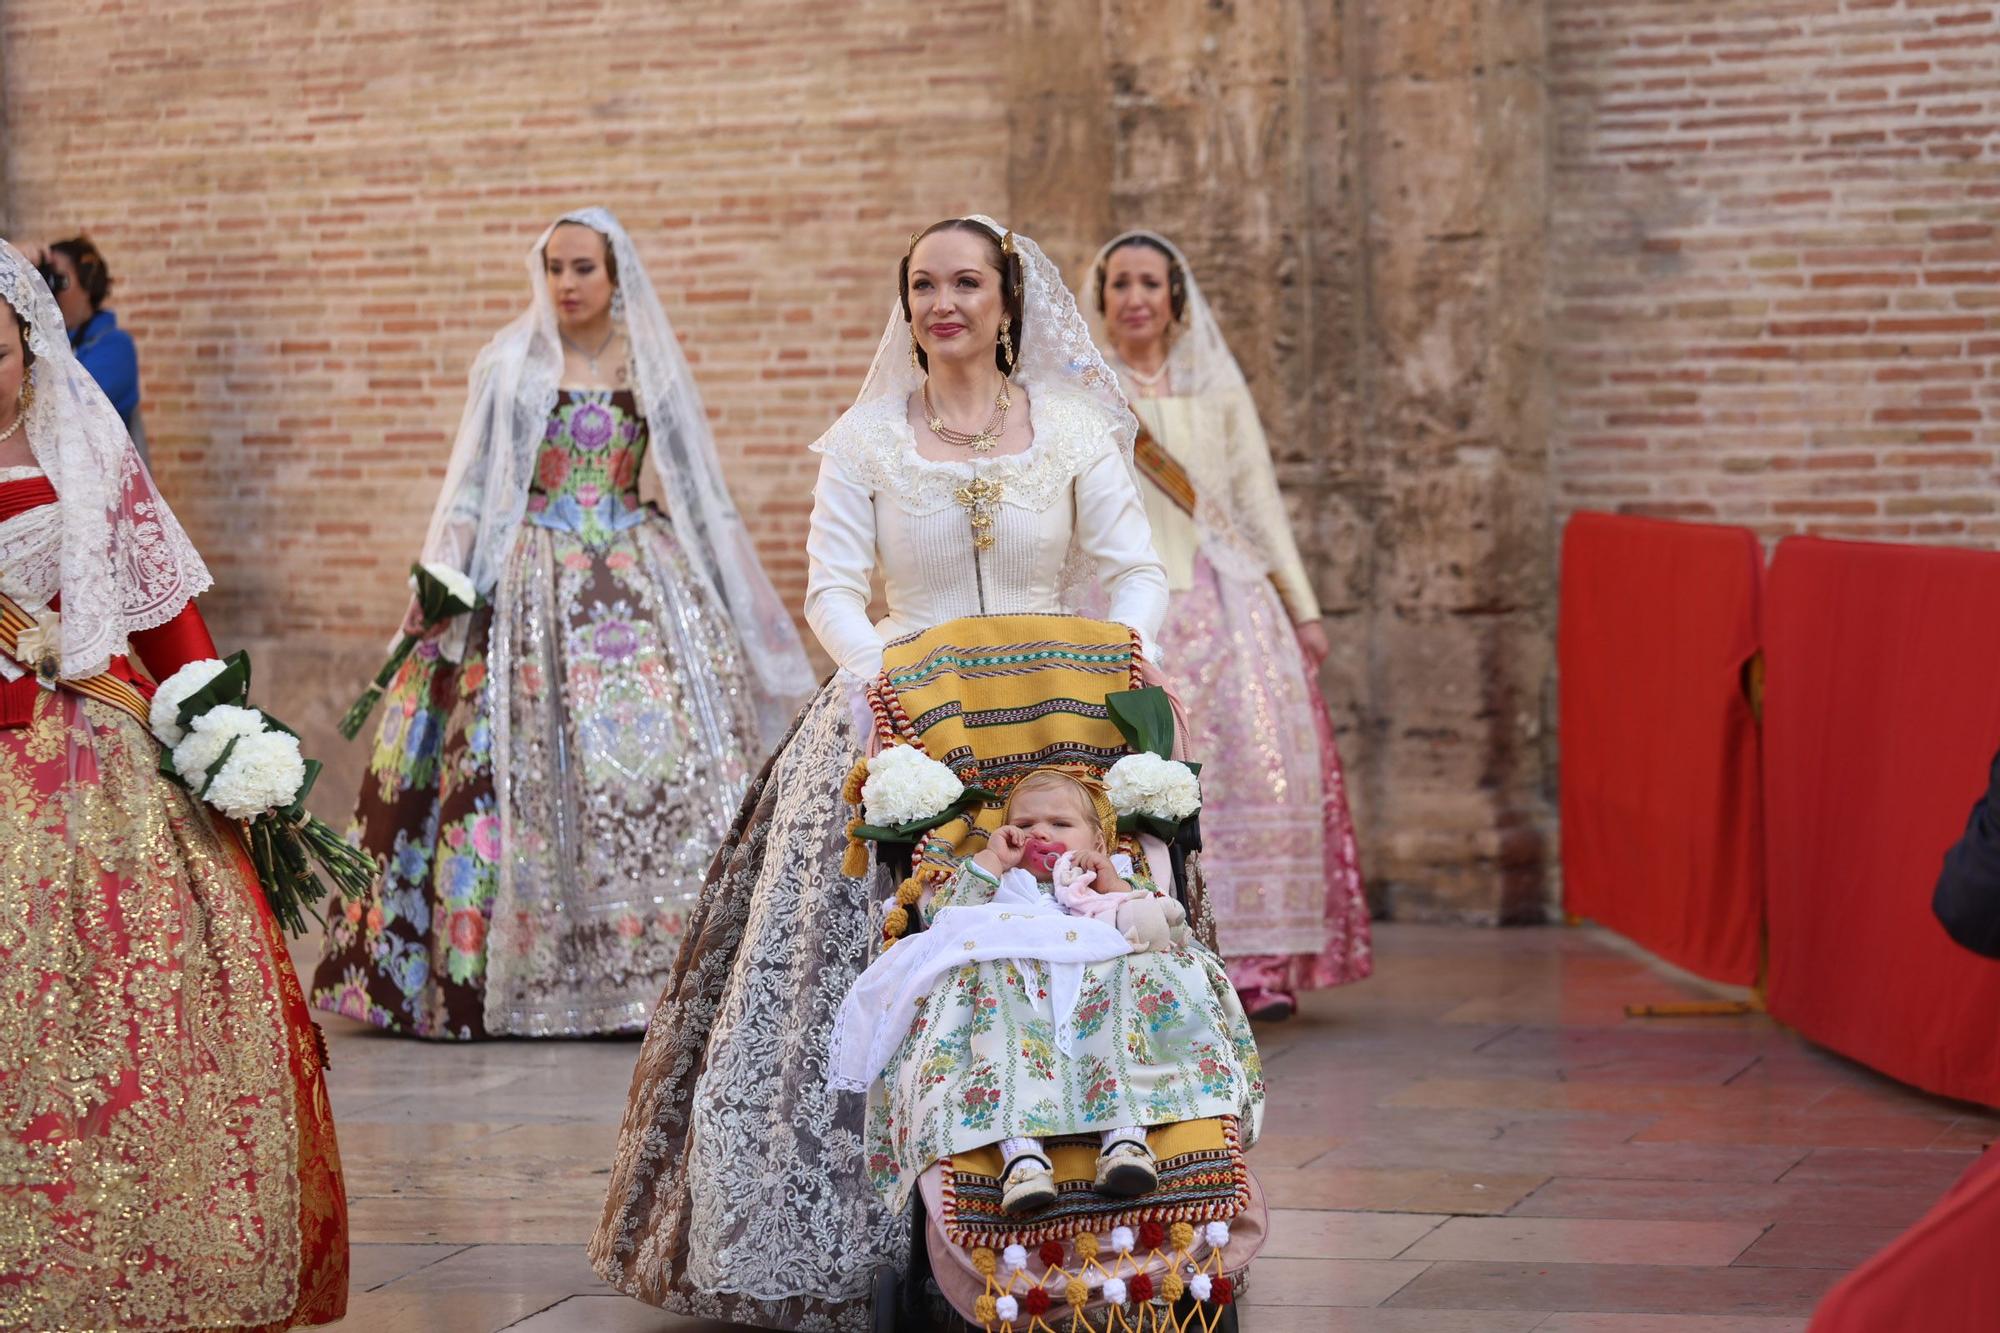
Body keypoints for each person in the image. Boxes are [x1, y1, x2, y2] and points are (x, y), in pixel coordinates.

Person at [591, 216, 1170, 1329]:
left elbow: (1133, 569)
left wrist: (1121, 657)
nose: (941, 302)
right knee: (867, 958)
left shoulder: (1077, 431)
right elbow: (831, 594)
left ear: (1007, 302)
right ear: (904, 305)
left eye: (964, 282)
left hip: (1052, 725)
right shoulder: (865, 437)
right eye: (921, 285)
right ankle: (890, 1229)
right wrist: (885, 685)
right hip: (903, 721)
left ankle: (1107, 1185)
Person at [310, 208, 814, 1040]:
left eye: (583, 267)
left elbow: (698, 493)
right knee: (504, 758)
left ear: (617, 276)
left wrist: (742, 601)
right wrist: (444, 567)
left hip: (636, 567)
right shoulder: (512, 363)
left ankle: (672, 971)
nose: (567, 283)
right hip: (530, 575)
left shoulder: (649, 363)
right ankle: (508, 967)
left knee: (669, 754)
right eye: (555, 267)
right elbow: (474, 484)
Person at [0, 241, 348, 1329]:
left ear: (26, 345)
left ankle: (152, 1247)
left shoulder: (87, 449)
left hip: (95, 758)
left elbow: (162, 616)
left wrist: (217, 726)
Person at [1080, 229, 1372, 1020]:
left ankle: (1258, 965)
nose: (1135, 297)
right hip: (1127, 604)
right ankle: (1158, 940)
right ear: (1100, 299)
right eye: (1121, 284)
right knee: (1145, 773)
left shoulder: (1215, 390)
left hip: (1228, 601)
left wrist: (1302, 607)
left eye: (1150, 283)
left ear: (1175, 298)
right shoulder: (1083, 391)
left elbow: (1257, 502)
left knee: (1252, 765)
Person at [826, 767, 1259, 1218]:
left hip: (1099, 994)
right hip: (1018, 993)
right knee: (1002, 1044)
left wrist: (1114, 886)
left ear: (1097, 842)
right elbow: (945, 917)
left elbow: (1164, 927)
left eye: (1060, 824)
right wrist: (993, 860)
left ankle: (1126, 1142)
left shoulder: (1112, 877)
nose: (1040, 834)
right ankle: (1022, 1158)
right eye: (1025, 825)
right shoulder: (1003, 884)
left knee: (1122, 1022)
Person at [41, 236, 146, 461]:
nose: (49, 291)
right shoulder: (36, 342)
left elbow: (68, 410)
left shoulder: (115, 346)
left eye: (58, 281)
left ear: (87, 284)